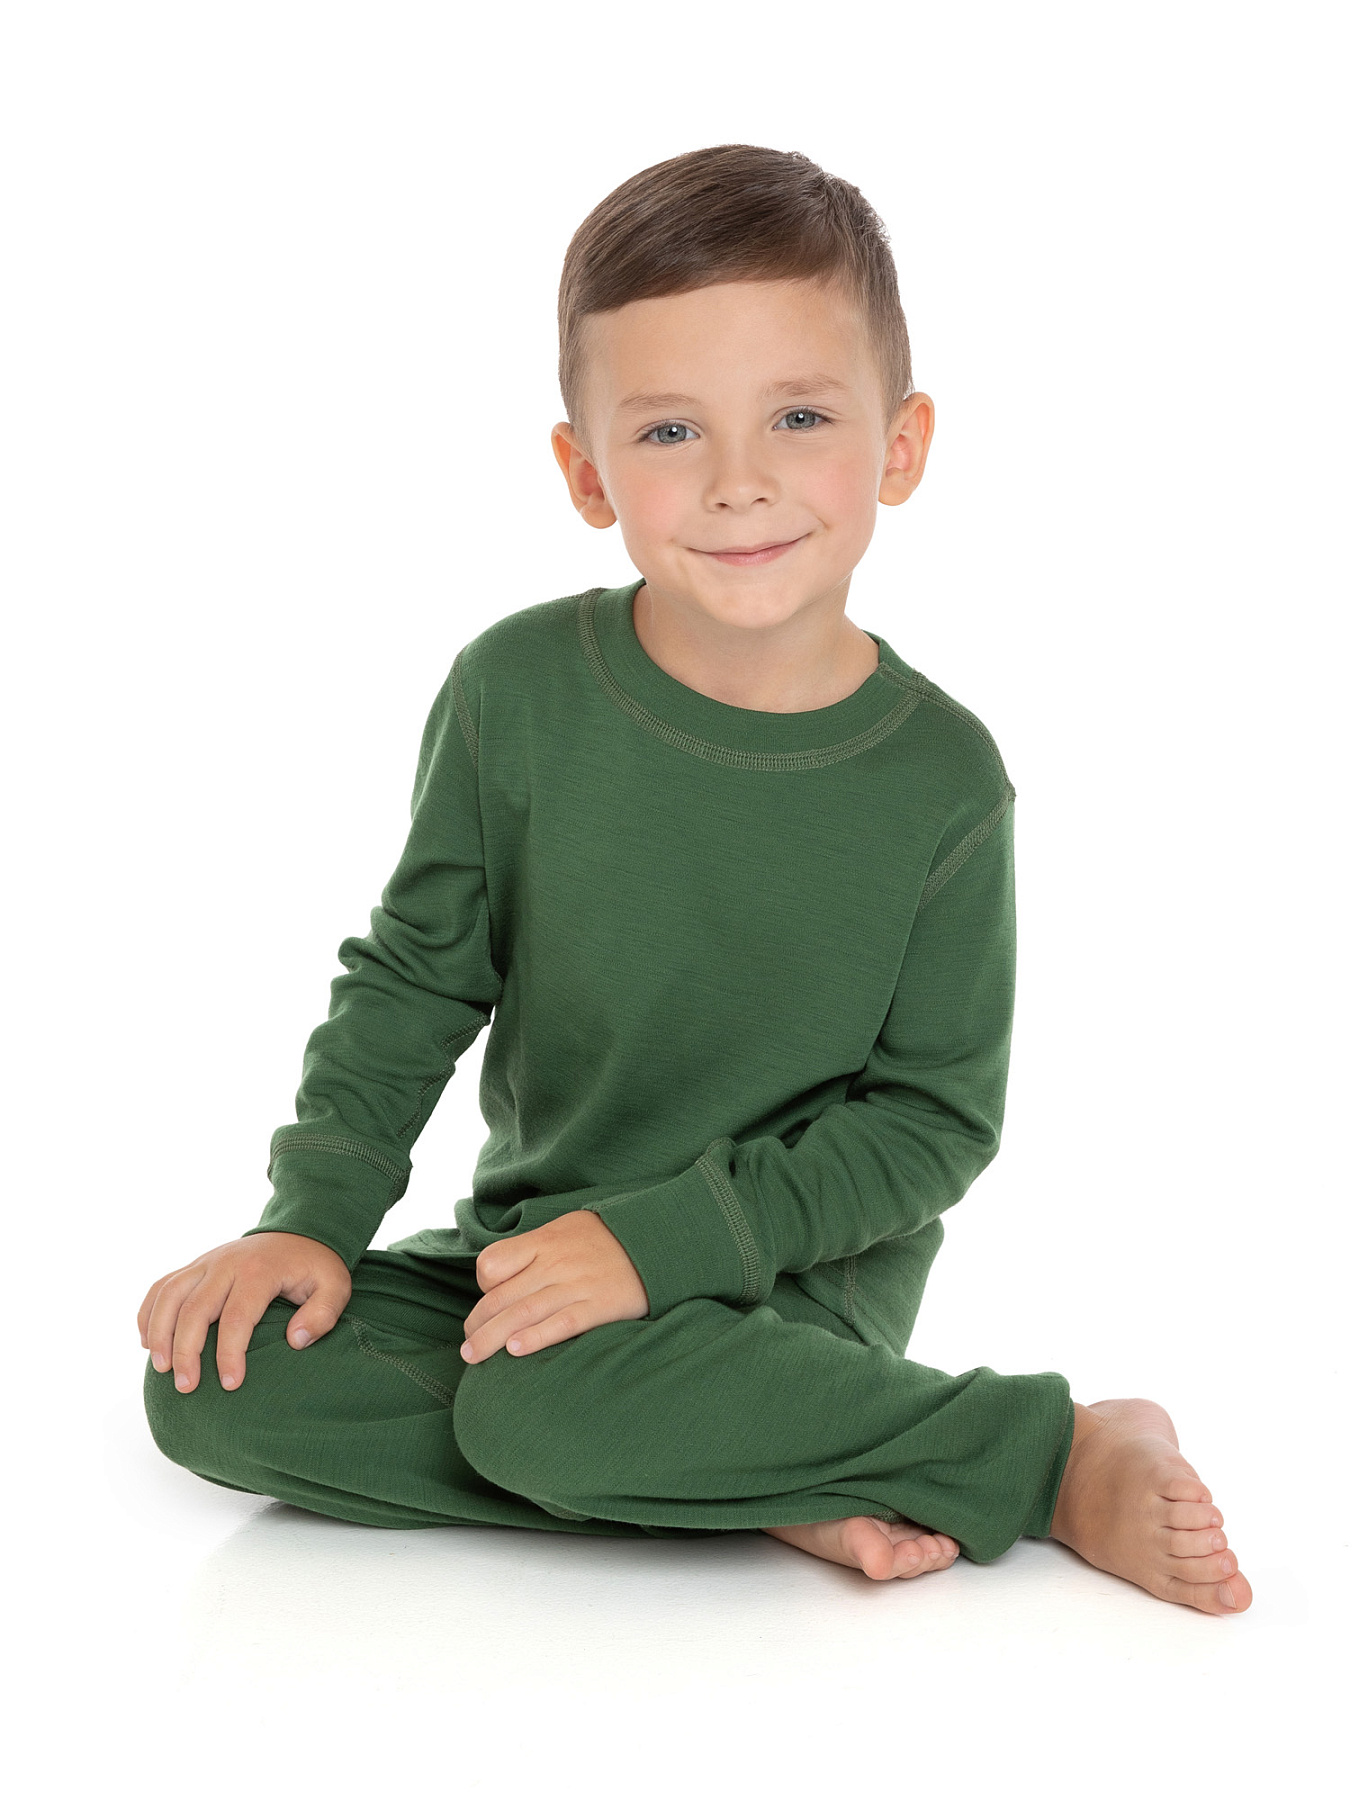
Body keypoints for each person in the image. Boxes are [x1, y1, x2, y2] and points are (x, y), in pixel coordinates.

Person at [139, 143, 1251, 1613]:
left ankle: (1039, 1454)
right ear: (585, 473)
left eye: (799, 416)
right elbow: (413, 980)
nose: (739, 483)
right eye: (669, 430)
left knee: (541, 1412)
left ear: (901, 445)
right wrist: (310, 1217)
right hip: (527, 1264)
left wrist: (658, 1248)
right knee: (217, 1391)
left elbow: (930, 1124)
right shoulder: (513, 691)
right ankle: (769, 1477)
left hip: (781, 1291)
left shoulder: (940, 782)